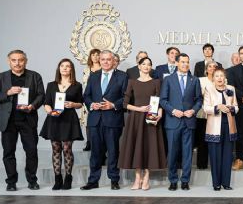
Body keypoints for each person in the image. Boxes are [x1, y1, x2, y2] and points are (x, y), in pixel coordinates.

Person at [0, 49, 45, 191]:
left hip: (28, 119)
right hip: (8, 121)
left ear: (26, 61)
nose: (17, 63)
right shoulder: (0, 77)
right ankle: (11, 182)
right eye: (14, 60)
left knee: (31, 151)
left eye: (20, 60)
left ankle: (32, 180)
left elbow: (41, 95)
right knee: (8, 152)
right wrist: (7, 93)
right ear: (9, 61)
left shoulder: (34, 76)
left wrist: (32, 106)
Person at [81, 50, 129, 190]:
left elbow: (126, 97)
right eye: (103, 59)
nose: (106, 62)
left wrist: (113, 105)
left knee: (113, 151)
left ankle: (114, 180)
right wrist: (91, 104)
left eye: (109, 59)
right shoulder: (93, 76)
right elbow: (86, 95)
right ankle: (93, 181)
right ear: (99, 61)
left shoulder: (122, 76)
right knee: (95, 152)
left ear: (114, 61)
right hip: (95, 119)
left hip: (113, 119)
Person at [118, 57, 166, 190]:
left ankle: (146, 178)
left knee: (149, 147)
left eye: (149, 64)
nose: (146, 66)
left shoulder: (156, 82)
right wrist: (139, 109)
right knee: (137, 147)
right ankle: (138, 177)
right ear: (138, 66)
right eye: (144, 64)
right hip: (136, 119)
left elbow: (159, 101)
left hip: (151, 118)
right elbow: (125, 104)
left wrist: (160, 114)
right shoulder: (132, 82)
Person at [160, 53, 202, 191]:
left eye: (187, 62)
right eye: (183, 62)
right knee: (172, 152)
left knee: (187, 153)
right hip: (173, 121)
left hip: (189, 121)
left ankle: (185, 181)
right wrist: (173, 111)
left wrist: (193, 110)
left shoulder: (194, 80)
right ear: (177, 63)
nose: (185, 64)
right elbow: (163, 100)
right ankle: (172, 180)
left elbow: (199, 100)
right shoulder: (168, 79)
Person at [39, 58, 83, 190]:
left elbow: (81, 103)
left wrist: (72, 104)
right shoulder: (51, 85)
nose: (64, 68)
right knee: (56, 149)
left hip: (69, 119)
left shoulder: (77, 85)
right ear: (59, 68)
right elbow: (46, 102)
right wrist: (49, 111)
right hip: (54, 119)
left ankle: (68, 178)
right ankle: (57, 179)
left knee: (67, 149)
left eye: (68, 66)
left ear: (71, 69)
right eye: (62, 66)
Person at [204, 67, 239, 190]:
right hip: (214, 127)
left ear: (225, 78)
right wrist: (218, 107)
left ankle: (226, 183)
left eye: (222, 76)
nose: (220, 78)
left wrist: (230, 108)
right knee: (215, 156)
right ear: (213, 78)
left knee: (227, 156)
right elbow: (206, 108)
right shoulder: (209, 89)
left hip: (229, 126)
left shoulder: (231, 89)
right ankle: (216, 184)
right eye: (217, 76)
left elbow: (236, 107)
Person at [195, 60, 217, 169]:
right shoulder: (200, 80)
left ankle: (215, 163)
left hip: (217, 113)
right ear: (206, 69)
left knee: (215, 139)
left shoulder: (222, 80)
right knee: (202, 139)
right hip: (202, 112)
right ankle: (202, 164)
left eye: (214, 66)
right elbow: (197, 95)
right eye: (210, 66)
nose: (212, 68)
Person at [80, 48, 101, 151]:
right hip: (88, 98)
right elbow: (84, 85)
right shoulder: (86, 69)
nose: (95, 57)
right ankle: (89, 142)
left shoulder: (103, 68)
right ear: (90, 57)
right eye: (93, 55)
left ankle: (97, 142)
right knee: (88, 122)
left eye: (97, 55)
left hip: (99, 98)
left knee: (98, 121)